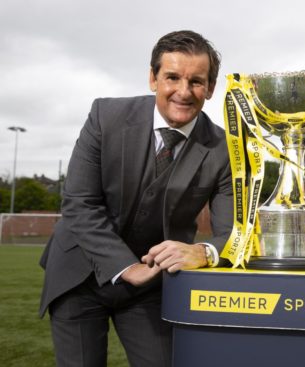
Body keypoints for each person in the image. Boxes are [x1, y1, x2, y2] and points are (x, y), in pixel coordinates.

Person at [39, 30, 233, 367]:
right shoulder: (105, 117)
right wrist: (125, 266)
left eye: (197, 82)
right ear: (153, 78)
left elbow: (233, 230)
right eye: (172, 77)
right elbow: (79, 203)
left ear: (211, 88)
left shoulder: (224, 149)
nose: (183, 92)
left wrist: (204, 251)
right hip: (78, 275)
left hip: (153, 284)